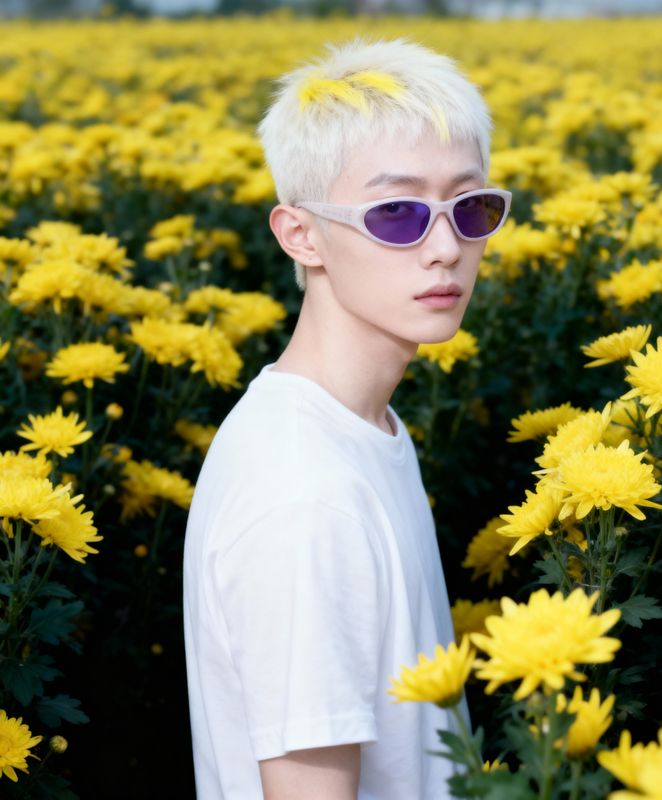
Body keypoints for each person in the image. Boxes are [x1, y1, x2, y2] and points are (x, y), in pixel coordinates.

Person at [182, 37, 511, 799]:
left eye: (471, 208)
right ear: (300, 234)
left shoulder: (366, 428)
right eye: (396, 213)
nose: (444, 249)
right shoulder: (306, 494)